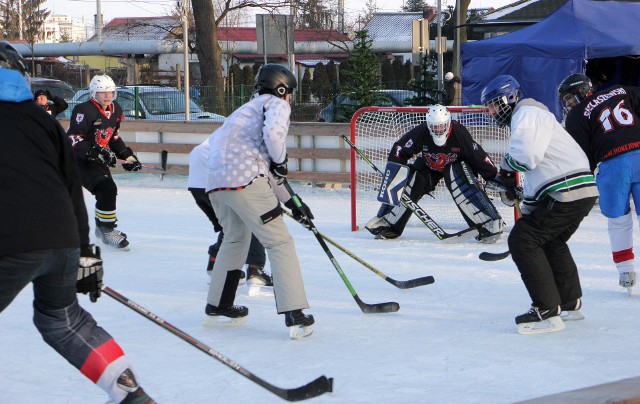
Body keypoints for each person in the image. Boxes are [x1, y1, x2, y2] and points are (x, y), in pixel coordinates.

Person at [0, 41, 154, 404]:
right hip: (62, 238)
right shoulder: (42, 120)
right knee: (62, 318)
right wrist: (83, 251)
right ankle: (129, 393)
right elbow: (71, 185)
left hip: (11, 240)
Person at [481, 74, 598, 335]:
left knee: (523, 240)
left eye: (493, 104)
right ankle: (569, 302)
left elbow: (526, 157)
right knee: (550, 240)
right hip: (577, 190)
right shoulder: (531, 117)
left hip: (567, 190)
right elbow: (538, 171)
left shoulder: (526, 112)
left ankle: (546, 310)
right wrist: (524, 201)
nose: (490, 111)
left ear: (509, 98)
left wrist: (504, 169)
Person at [203, 63, 315, 339]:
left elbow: (267, 170)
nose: (289, 98)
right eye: (289, 92)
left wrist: (293, 203)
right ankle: (294, 311)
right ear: (281, 88)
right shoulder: (275, 105)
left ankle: (219, 304)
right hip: (245, 181)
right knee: (279, 242)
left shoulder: (242, 112)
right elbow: (273, 140)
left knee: (234, 239)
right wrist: (281, 160)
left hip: (217, 185)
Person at [365, 104, 504, 243]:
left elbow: (478, 156)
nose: (438, 130)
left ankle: (487, 222)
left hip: (456, 168)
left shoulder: (458, 132)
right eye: (434, 126)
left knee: (457, 176)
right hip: (430, 168)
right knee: (411, 176)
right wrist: (394, 171)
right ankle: (389, 222)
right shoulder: (423, 131)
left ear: (448, 123)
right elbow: (400, 149)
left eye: (441, 126)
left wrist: (494, 177)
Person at [559, 73, 640, 293]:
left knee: (618, 218)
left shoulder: (576, 115)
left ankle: (625, 269)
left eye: (568, 98)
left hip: (612, 163)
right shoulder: (623, 90)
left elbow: (582, 155)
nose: (567, 103)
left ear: (580, 91)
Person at [67, 74, 142, 249]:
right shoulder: (83, 110)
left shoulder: (116, 109)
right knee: (107, 188)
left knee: (106, 191)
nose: (107, 96)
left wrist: (127, 156)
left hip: (98, 159)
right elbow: (74, 138)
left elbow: (113, 137)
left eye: (110, 92)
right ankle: (107, 229)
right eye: (102, 93)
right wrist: (94, 151)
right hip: (80, 160)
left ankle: (102, 228)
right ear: (94, 93)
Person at [187, 138, 273, 288]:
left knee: (230, 227)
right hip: (217, 182)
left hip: (197, 185)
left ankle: (216, 263)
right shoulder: (254, 139)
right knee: (252, 220)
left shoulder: (226, 133)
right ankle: (255, 268)